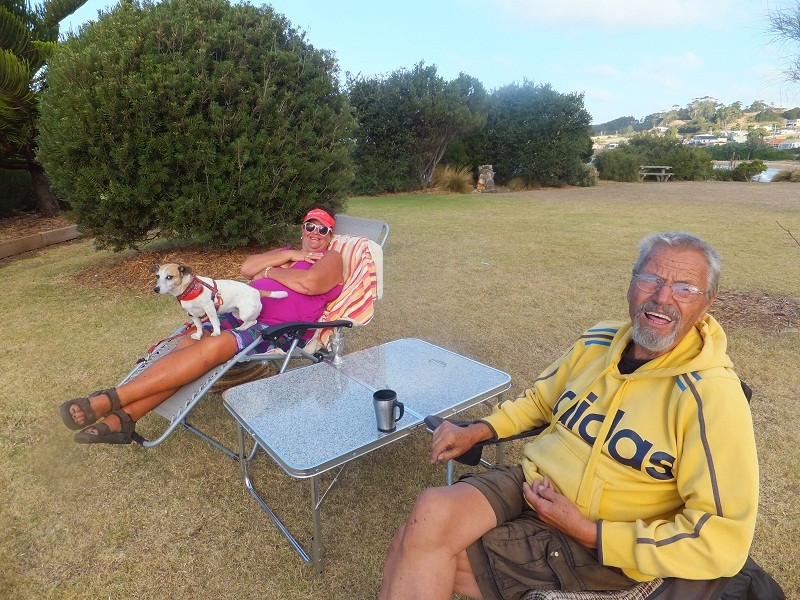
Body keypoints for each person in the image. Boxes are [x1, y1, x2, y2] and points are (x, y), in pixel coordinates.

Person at [380, 232, 759, 600]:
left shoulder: (711, 397)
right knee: (431, 510)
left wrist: (592, 532)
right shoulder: (598, 341)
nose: (662, 298)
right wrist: (479, 430)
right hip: (533, 482)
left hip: (599, 539)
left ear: (706, 304)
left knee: (415, 547)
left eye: (684, 288)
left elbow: (722, 538)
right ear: (631, 284)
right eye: (651, 279)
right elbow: (540, 402)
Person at [60, 205, 344, 445]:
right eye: (310, 226)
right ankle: (124, 419)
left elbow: (310, 283)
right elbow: (247, 268)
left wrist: (270, 272)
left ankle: (110, 399)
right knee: (188, 346)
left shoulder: (331, 258)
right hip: (236, 310)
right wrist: (289, 257)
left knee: (213, 346)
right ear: (302, 229)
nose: (315, 233)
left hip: (276, 328)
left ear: (330, 236)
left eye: (323, 229)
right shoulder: (287, 253)